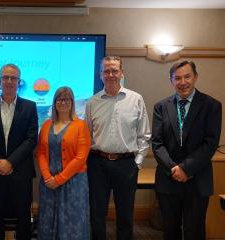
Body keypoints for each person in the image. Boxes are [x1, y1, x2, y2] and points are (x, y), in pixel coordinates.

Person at [152, 60, 222, 240]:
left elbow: (210, 143)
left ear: (195, 77)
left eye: (187, 77)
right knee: (169, 231)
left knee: (195, 231)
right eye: (178, 78)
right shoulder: (161, 107)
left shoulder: (212, 105)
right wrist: (174, 169)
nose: (183, 82)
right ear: (171, 81)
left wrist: (186, 169)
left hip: (197, 179)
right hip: (169, 179)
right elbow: (157, 144)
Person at [85, 56, 151, 240]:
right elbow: (87, 136)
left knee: (125, 216)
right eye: (106, 71)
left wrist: (136, 163)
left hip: (126, 165)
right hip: (97, 164)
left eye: (114, 70)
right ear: (100, 75)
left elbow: (144, 135)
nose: (111, 74)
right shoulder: (92, 102)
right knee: (97, 215)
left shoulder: (136, 99)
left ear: (121, 73)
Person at [0, 63, 38, 240]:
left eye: (14, 78)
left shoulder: (30, 106)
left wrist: (10, 162)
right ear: (0, 80)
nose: (9, 81)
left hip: (21, 170)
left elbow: (31, 139)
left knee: (23, 216)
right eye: (6, 77)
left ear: (19, 82)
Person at [36, 86, 91, 240]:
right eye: (59, 99)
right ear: (54, 103)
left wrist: (59, 179)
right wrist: (48, 177)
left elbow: (81, 158)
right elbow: (40, 152)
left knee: (72, 220)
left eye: (67, 99)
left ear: (72, 103)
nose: (63, 102)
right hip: (49, 183)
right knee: (48, 218)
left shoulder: (81, 126)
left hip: (73, 183)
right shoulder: (46, 125)